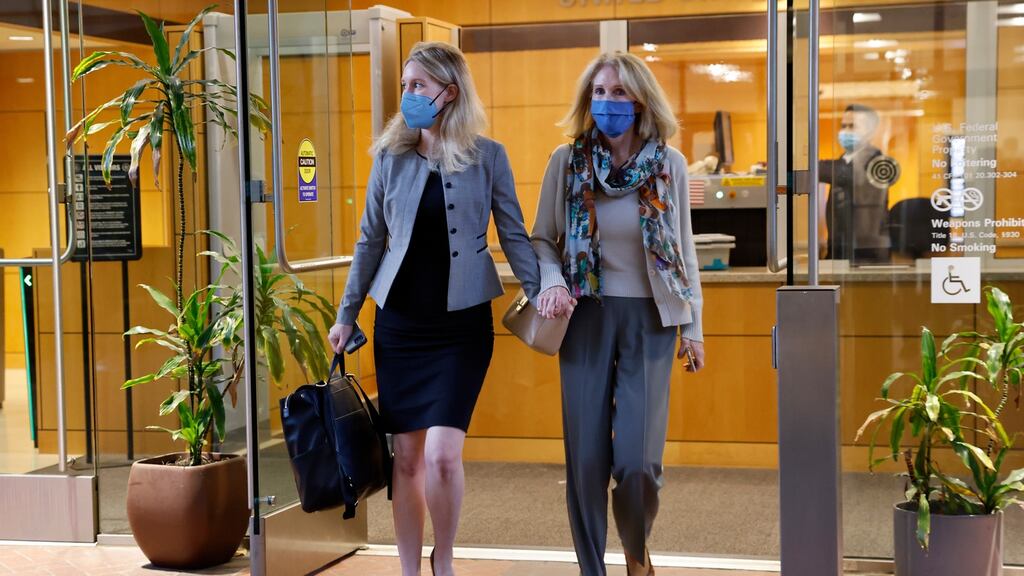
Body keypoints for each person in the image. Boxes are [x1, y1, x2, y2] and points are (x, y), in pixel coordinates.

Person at [327, 41, 540, 576]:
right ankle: (407, 568)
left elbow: (513, 234)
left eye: (417, 85)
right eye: (404, 85)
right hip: (399, 326)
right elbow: (370, 240)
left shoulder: (489, 156)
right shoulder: (390, 158)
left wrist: (541, 291)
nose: (408, 96)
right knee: (408, 458)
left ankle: (442, 558)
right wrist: (346, 314)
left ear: (449, 92)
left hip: (462, 328)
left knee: (444, 454)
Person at [531, 52, 705, 576]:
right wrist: (555, 278)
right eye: (600, 93)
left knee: (639, 464)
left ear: (641, 100)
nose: (608, 102)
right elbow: (542, 238)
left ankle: (636, 552)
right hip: (585, 317)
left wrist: (693, 327)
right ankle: (593, 569)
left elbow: (684, 248)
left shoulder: (669, 164)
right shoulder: (567, 161)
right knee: (585, 462)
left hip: (652, 319)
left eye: (619, 92)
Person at [819, 103, 895, 263]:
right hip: (842, 250)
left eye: (852, 126)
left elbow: (844, 172)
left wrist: (799, 166)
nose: (845, 132)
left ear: (869, 132)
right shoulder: (846, 159)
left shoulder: (873, 161)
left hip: (866, 255)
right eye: (843, 126)